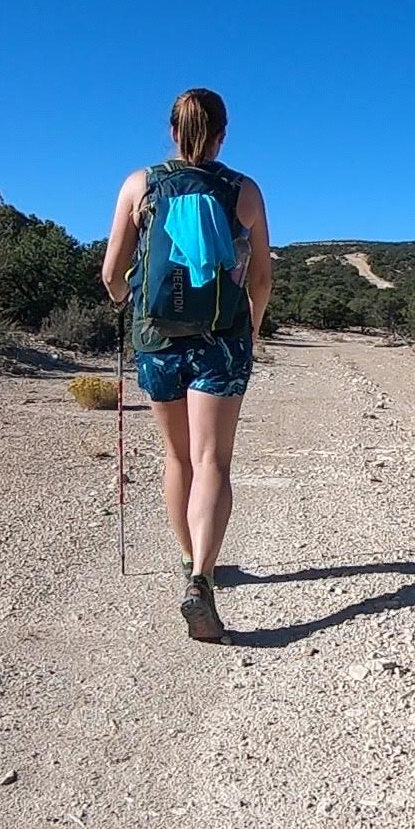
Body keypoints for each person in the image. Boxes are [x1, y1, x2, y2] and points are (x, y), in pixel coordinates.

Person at [102, 88, 272, 642]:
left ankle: (188, 561)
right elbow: (263, 277)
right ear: (224, 134)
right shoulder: (243, 191)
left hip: (156, 339)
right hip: (221, 339)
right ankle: (202, 574)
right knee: (213, 460)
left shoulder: (140, 185)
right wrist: (253, 321)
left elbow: (111, 276)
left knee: (178, 458)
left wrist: (128, 298)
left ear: (172, 132)